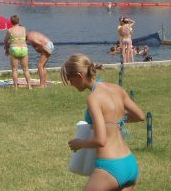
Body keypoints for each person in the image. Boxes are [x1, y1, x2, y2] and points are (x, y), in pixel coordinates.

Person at [62, 54, 145, 190]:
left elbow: (100, 140)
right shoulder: (116, 89)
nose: (71, 84)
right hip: (129, 163)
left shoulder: (93, 98)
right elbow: (140, 116)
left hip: (110, 167)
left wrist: (79, 144)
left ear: (79, 76)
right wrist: (115, 120)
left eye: (70, 80)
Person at [3, 15, 32, 89]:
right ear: (18, 21)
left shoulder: (10, 30)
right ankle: (29, 86)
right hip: (23, 48)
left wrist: (6, 49)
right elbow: (26, 38)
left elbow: (5, 41)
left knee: (14, 69)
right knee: (26, 69)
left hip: (14, 49)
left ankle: (15, 87)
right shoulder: (24, 29)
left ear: (11, 22)